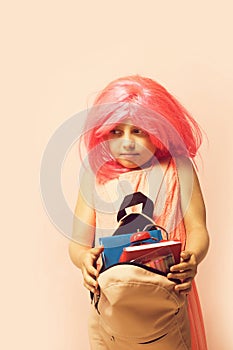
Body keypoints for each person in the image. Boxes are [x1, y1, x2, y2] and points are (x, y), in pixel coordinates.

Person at [69, 75, 209, 349]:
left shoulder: (178, 168)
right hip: (114, 297)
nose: (127, 143)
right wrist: (84, 259)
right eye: (116, 132)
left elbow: (197, 228)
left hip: (167, 291)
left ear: (158, 130)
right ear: (102, 133)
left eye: (139, 131)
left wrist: (193, 258)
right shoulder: (95, 174)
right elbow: (78, 242)